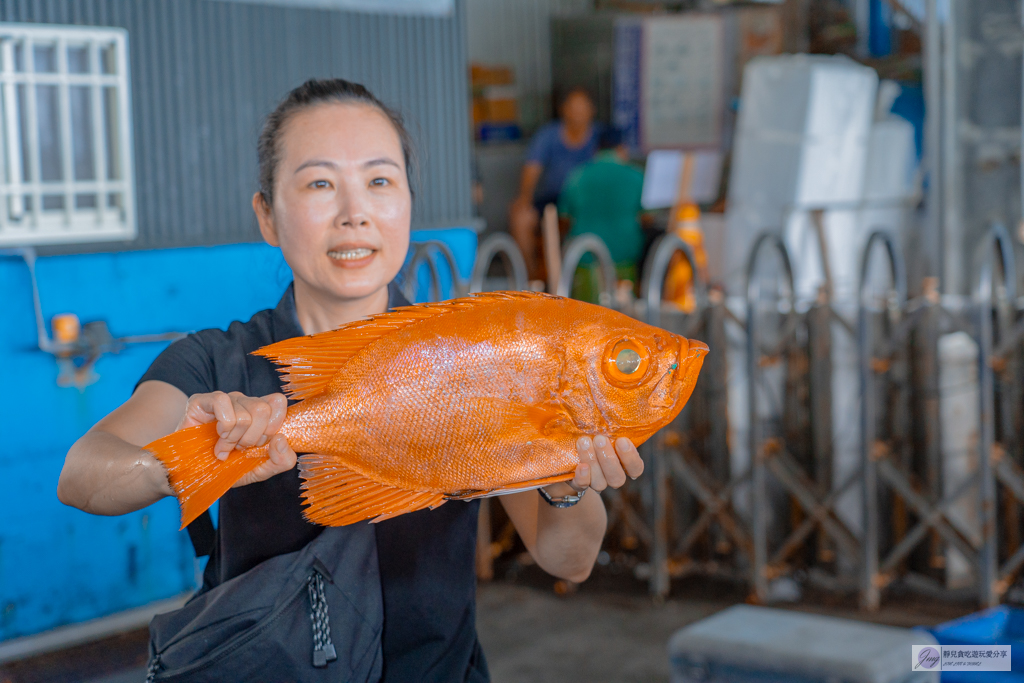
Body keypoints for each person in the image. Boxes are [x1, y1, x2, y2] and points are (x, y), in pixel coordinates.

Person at [56, 78, 645, 682]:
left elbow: (567, 558)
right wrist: (190, 457)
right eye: (319, 184)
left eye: (379, 181)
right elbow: (83, 473)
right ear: (267, 215)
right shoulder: (217, 362)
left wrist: (566, 482)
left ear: (409, 203)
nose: (354, 213)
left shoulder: (475, 359)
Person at [509, 88, 600, 277]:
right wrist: (524, 199)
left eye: (582, 108)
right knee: (520, 217)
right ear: (563, 110)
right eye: (573, 108)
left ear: (592, 110)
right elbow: (531, 169)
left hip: (588, 204)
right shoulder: (548, 135)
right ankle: (531, 279)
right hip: (553, 200)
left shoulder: (601, 137)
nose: (577, 114)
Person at [558, 127, 646, 294]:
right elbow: (647, 217)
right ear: (622, 148)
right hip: (624, 257)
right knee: (623, 315)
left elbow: (564, 217)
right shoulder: (636, 176)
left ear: (596, 149)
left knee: (585, 315)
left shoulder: (578, 175)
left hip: (584, 257)